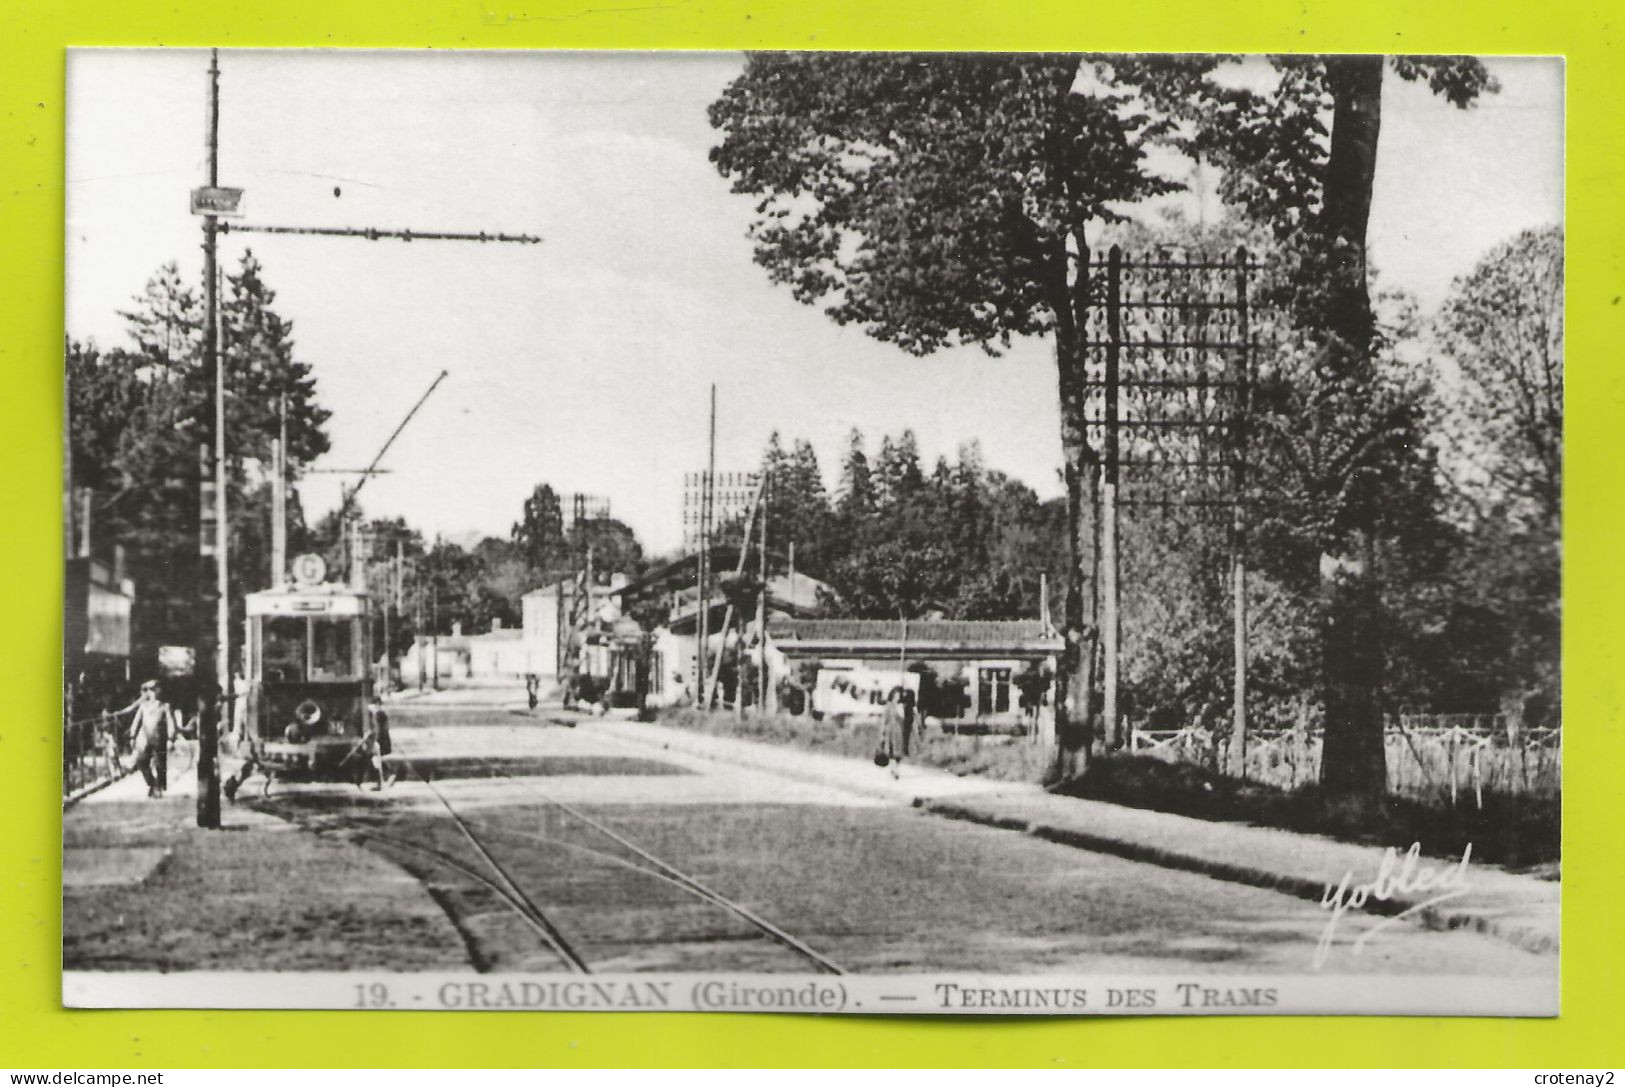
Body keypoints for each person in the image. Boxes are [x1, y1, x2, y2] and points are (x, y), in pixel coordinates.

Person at [115, 680, 178, 798]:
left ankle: (158, 787)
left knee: (160, 765)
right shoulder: (143, 706)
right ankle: (152, 783)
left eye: (154, 689)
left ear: (159, 690)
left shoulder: (165, 707)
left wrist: (170, 738)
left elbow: (171, 723)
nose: (152, 692)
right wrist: (132, 736)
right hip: (144, 741)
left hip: (159, 740)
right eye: (149, 690)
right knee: (141, 762)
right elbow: (136, 721)